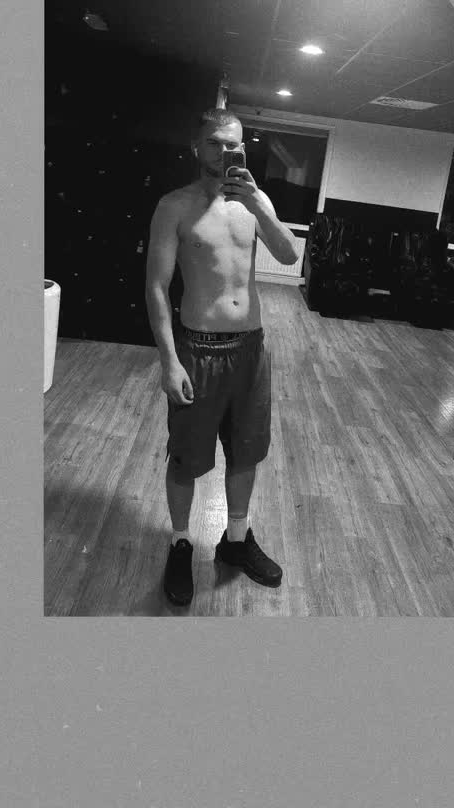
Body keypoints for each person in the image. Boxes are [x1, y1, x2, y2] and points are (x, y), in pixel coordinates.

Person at [145, 108, 300, 608]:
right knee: (186, 458)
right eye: (215, 142)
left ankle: (235, 539)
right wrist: (169, 361)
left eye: (234, 144)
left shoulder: (255, 201)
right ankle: (180, 543)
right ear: (197, 147)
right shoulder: (174, 206)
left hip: (250, 349)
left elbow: (290, 255)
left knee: (246, 451)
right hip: (199, 350)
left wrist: (257, 204)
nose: (225, 152)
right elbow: (156, 287)